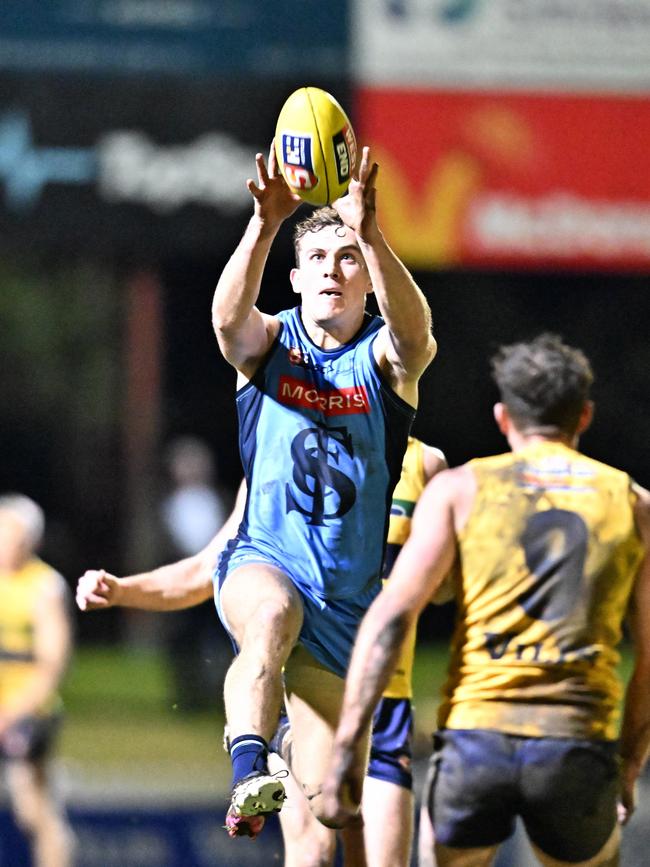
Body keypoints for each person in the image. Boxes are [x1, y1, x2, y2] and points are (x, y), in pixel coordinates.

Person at [322, 333, 650, 867]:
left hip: (477, 742)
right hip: (573, 741)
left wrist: (345, 750)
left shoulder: (460, 489)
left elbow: (391, 616)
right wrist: (630, 762)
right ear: (584, 416)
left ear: (503, 417)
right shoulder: (633, 504)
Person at [76, 435, 448, 866]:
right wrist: (124, 591)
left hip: (383, 699)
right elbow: (207, 567)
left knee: (370, 850)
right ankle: (270, 739)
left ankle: (271, 741)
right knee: (312, 851)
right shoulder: (278, 452)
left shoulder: (425, 465)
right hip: (303, 689)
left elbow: (450, 581)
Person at [210, 140, 436, 841]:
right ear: (297, 277)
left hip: (347, 606)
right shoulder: (270, 344)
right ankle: (250, 764)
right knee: (270, 614)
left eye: (347, 260)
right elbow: (225, 321)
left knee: (334, 811)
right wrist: (265, 223)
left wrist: (371, 233)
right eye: (318, 259)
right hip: (266, 563)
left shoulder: (383, 359)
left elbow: (417, 335)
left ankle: (282, 751)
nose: (333, 270)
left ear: (365, 279)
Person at [0, 494, 75, 867]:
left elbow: (52, 663)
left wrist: (14, 712)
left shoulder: (44, 586)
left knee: (33, 808)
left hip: (29, 712)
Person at [159, 435, 229, 710]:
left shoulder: (221, 499)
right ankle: (188, 698)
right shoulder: (165, 503)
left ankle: (219, 695)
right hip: (180, 578)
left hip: (216, 580)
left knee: (221, 639)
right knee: (182, 642)